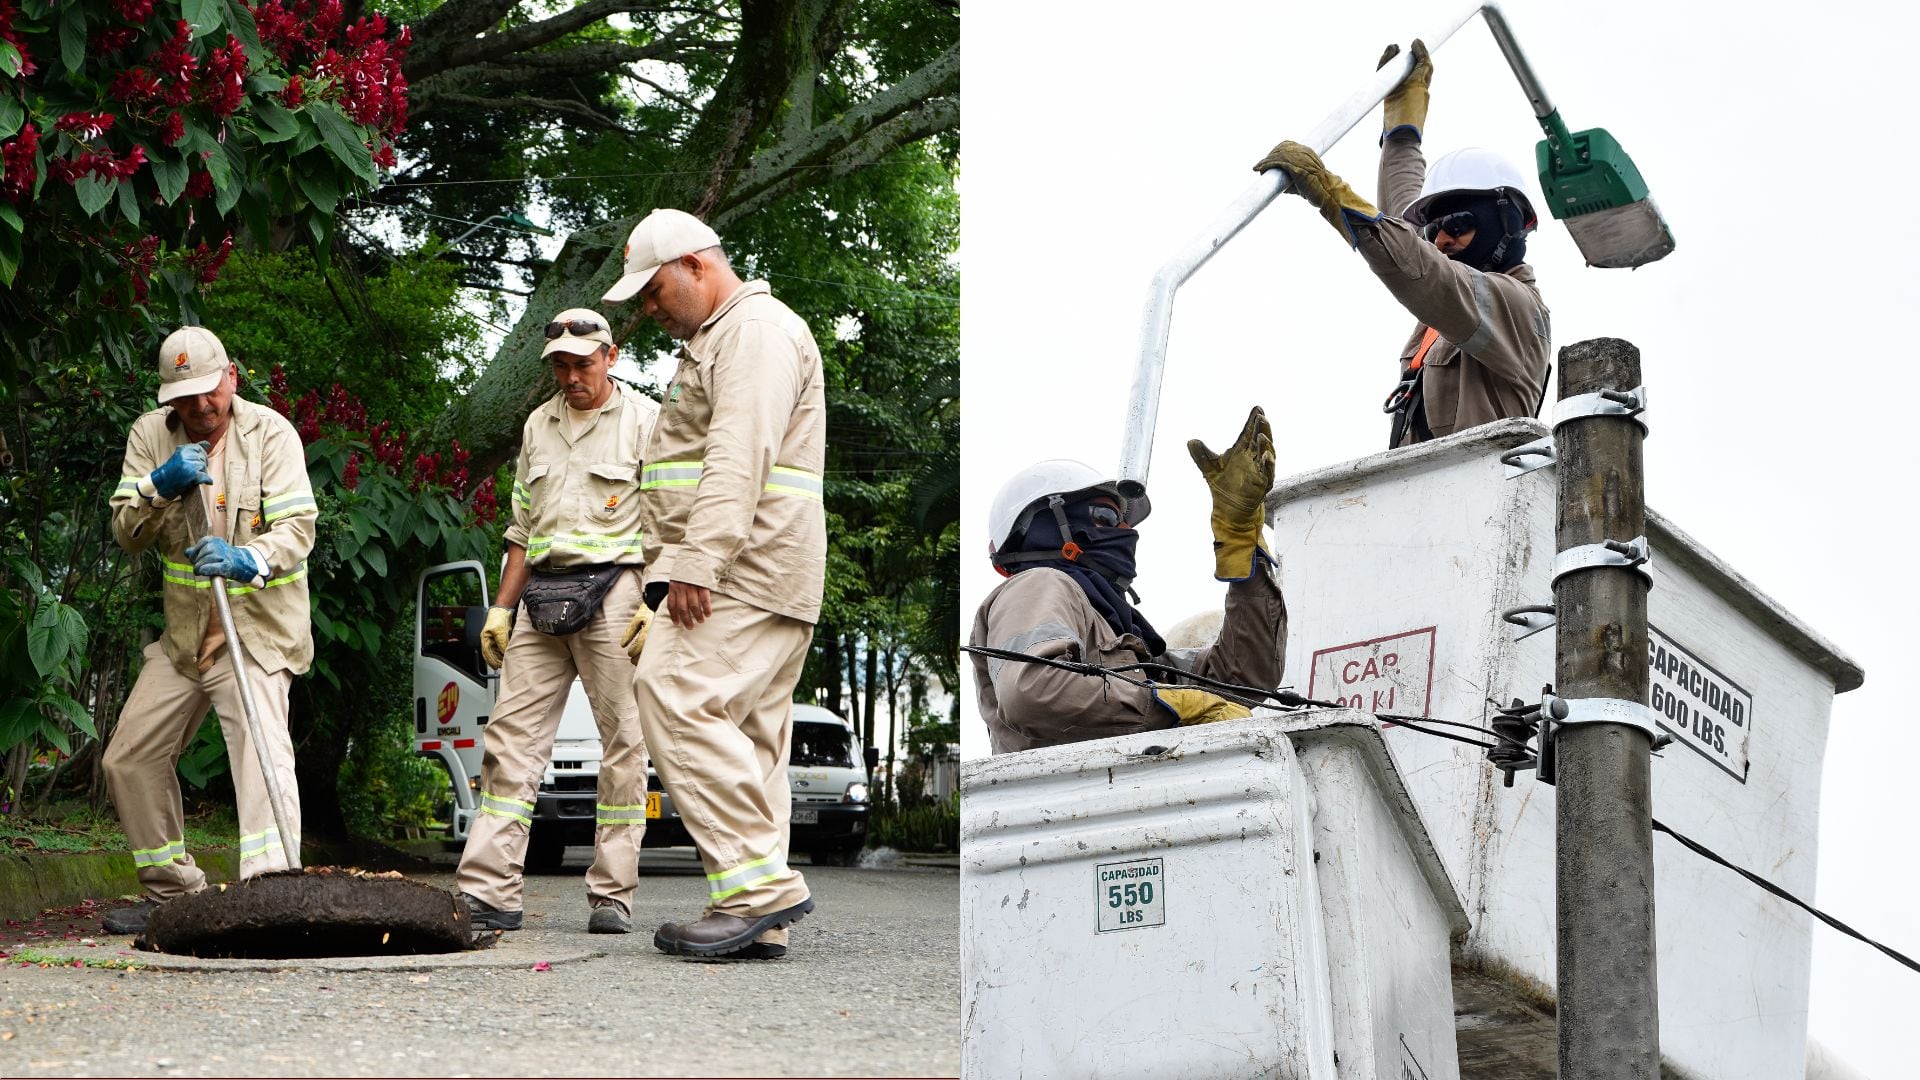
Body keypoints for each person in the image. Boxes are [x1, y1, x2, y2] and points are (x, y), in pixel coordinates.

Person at [602, 207, 827, 960]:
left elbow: (738, 454)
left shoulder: (751, 333)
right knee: (751, 733)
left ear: (698, 265)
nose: (648, 307)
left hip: (741, 567)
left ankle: (760, 891)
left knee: (673, 692)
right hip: (767, 570)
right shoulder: (724, 338)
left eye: (655, 289)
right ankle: (760, 911)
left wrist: (695, 564)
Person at [100, 326, 317, 934]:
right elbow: (126, 533)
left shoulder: (271, 432)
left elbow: (299, 530)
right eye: (185, 396)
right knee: (129, 758)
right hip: (184, 635)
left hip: (254, 627)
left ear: (232, 378)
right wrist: (156, 488)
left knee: (260, 755)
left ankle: (270, 899)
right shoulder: (149, 435)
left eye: (208, 391)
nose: (199, 407)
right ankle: (175, 895)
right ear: (169, 397)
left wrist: (249, 558)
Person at [457, 308, 659, 935]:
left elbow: (668, 515)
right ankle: (489, 891)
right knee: (510, 741)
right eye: (561, 367)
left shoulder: (646, 421)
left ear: (610, 357)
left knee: (624, 742)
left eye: (582, 363)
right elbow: (521, 528)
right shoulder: (537, 427)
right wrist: (501, 607)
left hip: (617, 586)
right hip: (542, 589)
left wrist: (656, 597)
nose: (571, 377)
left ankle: (612, 895)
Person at [1253, 40, 1551, 448]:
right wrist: (1402, 129)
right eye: (1434, 230)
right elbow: (1404, 226)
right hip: (1423, 491)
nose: (1441, 238)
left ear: (1507, 226)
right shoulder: (1453, 300)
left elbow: (1421, 269)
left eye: (1459, 225)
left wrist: (1332, 197)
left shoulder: (1517, 310)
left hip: (1479, 498)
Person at [971, 408, 1288, 754]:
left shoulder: (1123, 638)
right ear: (1049, 527)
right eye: (1106, 516)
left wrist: (1243, 543)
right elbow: (1032, 690)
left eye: (1125, 520)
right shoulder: (1039, 585)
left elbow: (1240, 680)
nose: (1125, 532)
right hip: (1063, 801)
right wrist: (1164, 704)